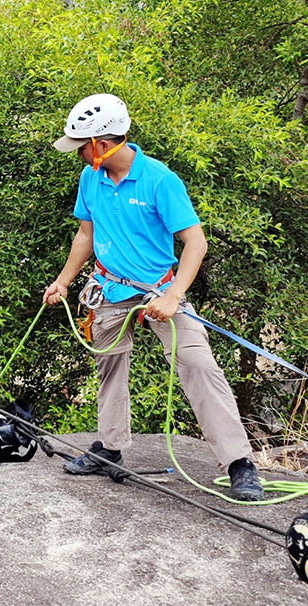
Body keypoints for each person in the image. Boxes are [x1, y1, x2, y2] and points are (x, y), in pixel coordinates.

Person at [44, 93, 264, 501]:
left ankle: (239, 464)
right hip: (110, 288)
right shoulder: (90, 178)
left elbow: (194, 243)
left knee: (198, 363)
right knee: (109, 366)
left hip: (160, 289)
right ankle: (110, 450)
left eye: (81, 146)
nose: (76, 154)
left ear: (102, 145)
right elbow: (85, 234)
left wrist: (175, 295)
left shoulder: (159, 179)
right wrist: (63, 281)